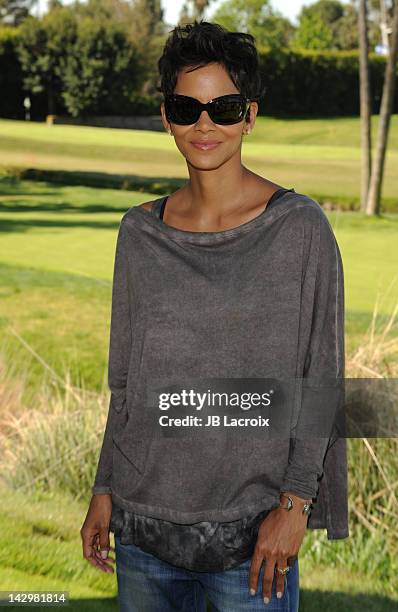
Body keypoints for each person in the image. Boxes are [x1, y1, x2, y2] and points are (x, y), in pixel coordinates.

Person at [80, 20, 349, 612]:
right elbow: (126, 383)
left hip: (251, 543)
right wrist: (105, 489)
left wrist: (295, 506)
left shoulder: (301, 230)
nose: (205, 126)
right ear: (165, 115)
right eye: (186, 107)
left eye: (224, 108)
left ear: (250, 115)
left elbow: (323, 380)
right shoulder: (138, 233)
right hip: (143, 537)